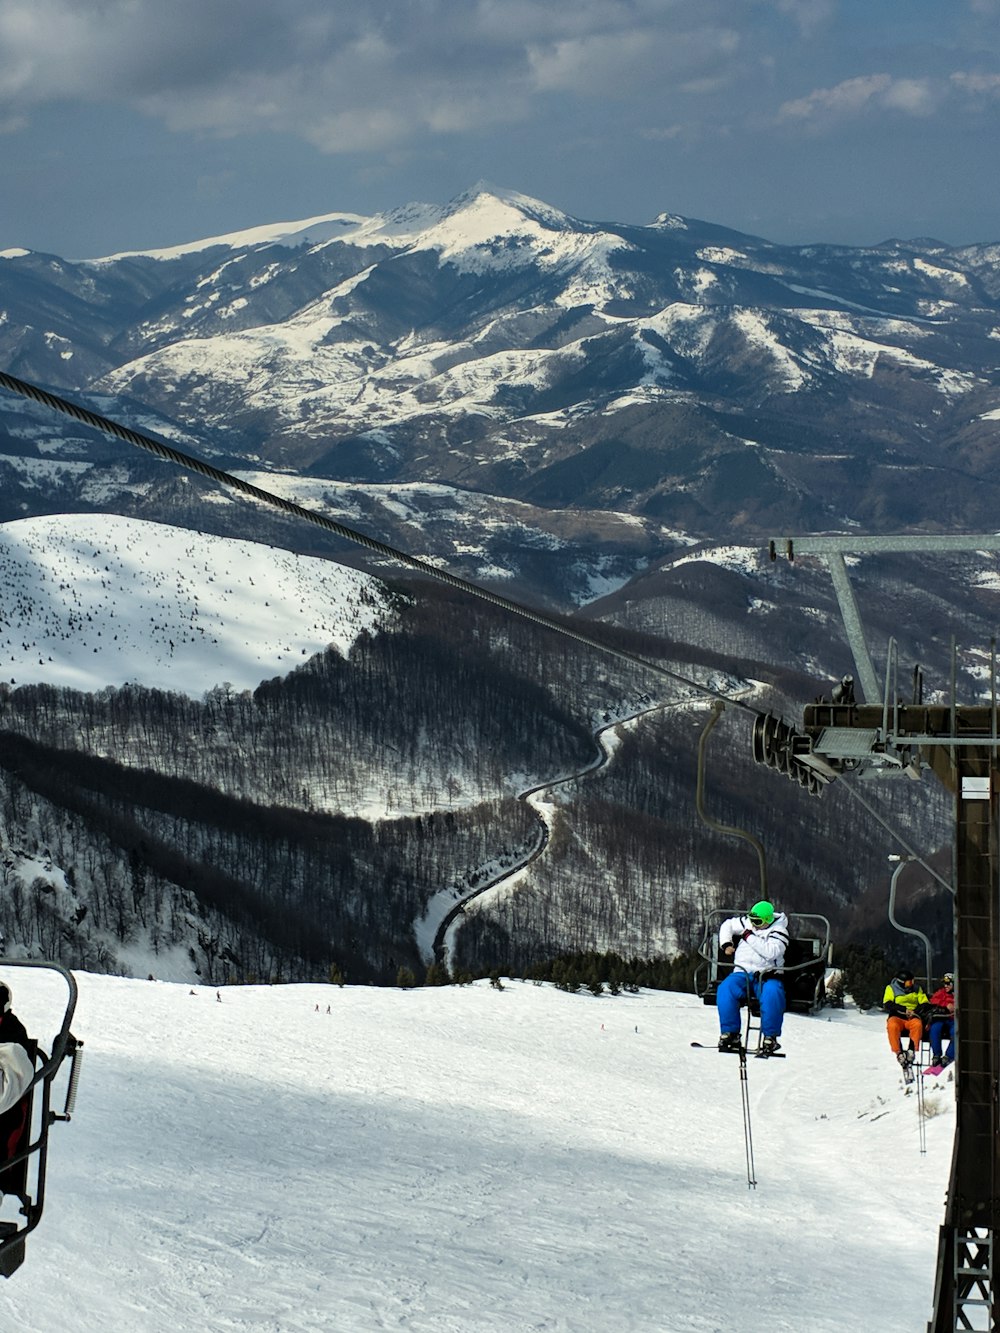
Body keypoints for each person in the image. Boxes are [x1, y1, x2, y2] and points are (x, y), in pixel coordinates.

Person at [716, 899, 789, 1056]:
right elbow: (727, 925)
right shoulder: (747, 923)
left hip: (767, 975)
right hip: (742, 972)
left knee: (772, 994)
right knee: (726, 989)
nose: (754, 924)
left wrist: (748, 936)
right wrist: (726, 944)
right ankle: (730, 1033)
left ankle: (770, 1037)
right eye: (752, 920)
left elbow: (771, 952)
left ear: (768, 920)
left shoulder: (779, 932)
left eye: (758, 921)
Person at [882, 968, 929, 1068]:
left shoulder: (917, 989)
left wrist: (915, 1011)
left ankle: (911, 1049)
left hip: (912, 1016)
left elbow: (924, 1003)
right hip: (897, 1015)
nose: (911, 984)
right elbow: (888, 1004)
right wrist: (904, 1009)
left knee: (917, 1025)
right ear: (902, 982)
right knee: (892, 1026)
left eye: (912, 981)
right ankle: (898, 1052)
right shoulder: (891, 988)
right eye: (909, 982)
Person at [926, 973, 956, 1070]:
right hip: (942, 1017)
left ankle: (949, 1055)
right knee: (935, 1029)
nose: (946, 986)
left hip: (953, 1019)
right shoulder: (942, 992)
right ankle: (936, 1054)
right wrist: (946, 1004)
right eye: (945, 984)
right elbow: (933, 1000)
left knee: (955, 1031)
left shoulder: (958, 994)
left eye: (948, 984)